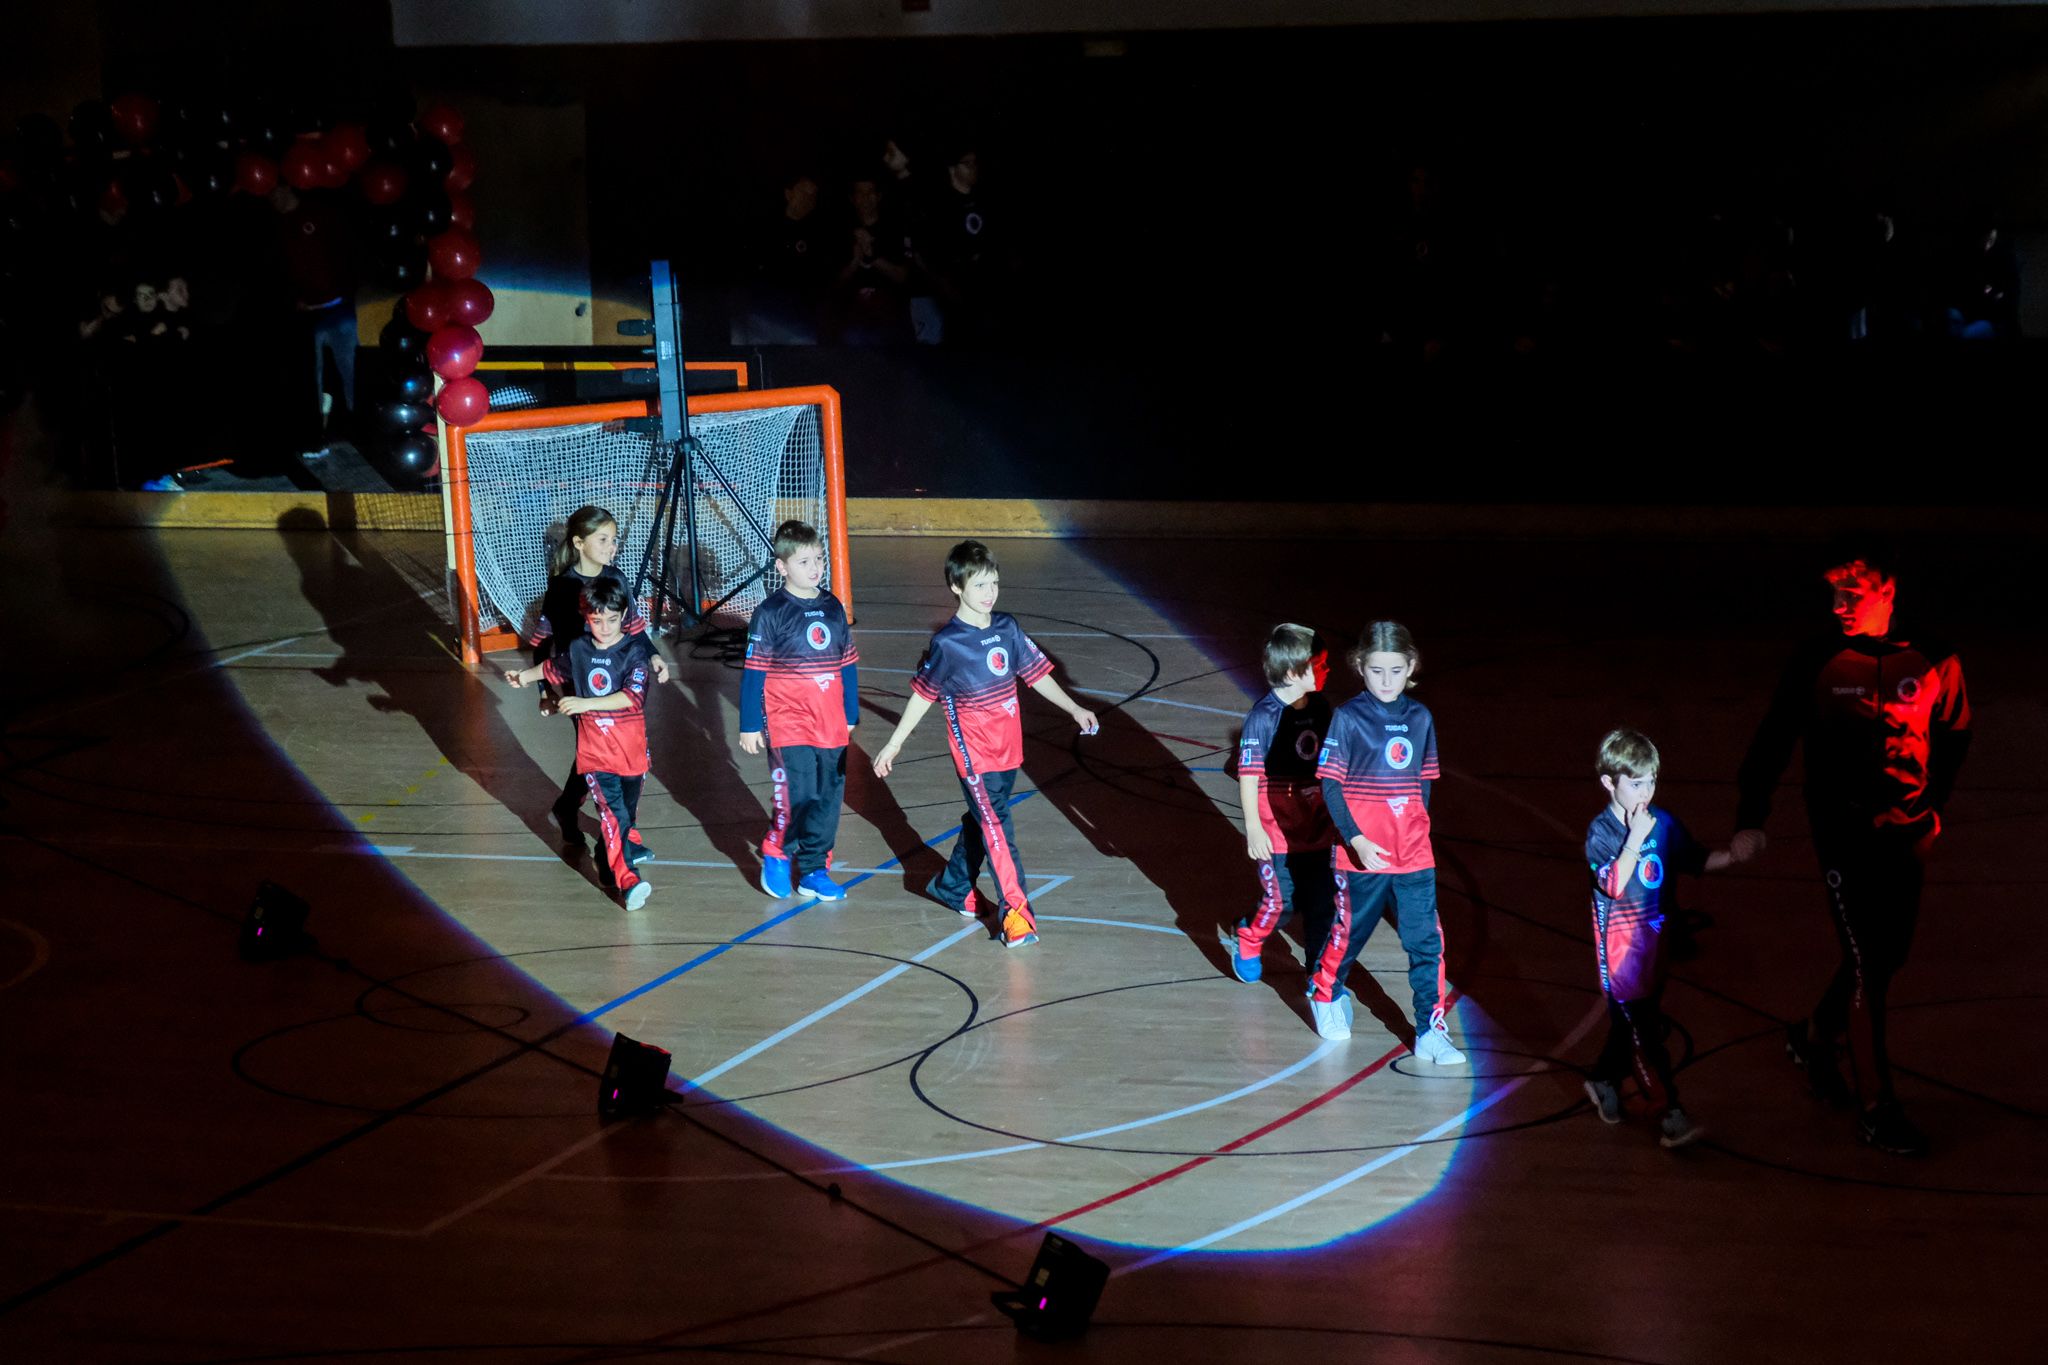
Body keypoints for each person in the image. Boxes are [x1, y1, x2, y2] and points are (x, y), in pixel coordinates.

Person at [1734, 551, 1971, 1157]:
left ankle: (1815, 1035)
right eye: (1832, 595)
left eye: (1852, 594)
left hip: (1908, 833)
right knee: (1869, 965)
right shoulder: (1816, 661)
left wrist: (1933, 807)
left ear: (1888, 589)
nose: (1838, 607)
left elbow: (1955, 733)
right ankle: (1876, 1110)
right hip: (1844, 837)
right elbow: (1773, 737)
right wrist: (1750, 818)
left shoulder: (1937, 658)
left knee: (1886, 957)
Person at [871, 539, 1098, 948]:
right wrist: (894, 744)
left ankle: (953, 886)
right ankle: (1017, 913)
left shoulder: (1007, 628)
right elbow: (923, 696)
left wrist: (1073, 707)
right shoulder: (948, 645)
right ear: (957, 588)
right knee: (997, 828)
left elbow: (1035, 674)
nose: (990, 593)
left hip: (1009, 751)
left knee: (983, 822)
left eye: (993, 583)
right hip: (974, 755)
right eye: (979, 586)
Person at [1311, 621, 1464, 1062]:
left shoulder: (1420, 719)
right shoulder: (1348, 718)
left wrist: (1417, 829)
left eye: (1395, 671)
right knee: (1349, 934)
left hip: (1413, 855)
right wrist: (1356, 840)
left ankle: (1430, 1029)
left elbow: (1424, 783)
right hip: (1361, 856)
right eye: (1376, 671)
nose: (1385, 681)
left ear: (1410, 666)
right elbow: (1331, 787)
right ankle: (1325, 992)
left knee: (1425, 942)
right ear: (1360, 667)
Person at [1583, 728, 1737, 1149]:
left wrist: (1734, 855)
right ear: (1608, 784)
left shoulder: (1664, 823)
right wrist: (1634, 839)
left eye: (1651, 781)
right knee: (1644, 1036)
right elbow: (1613, 885)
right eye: (1635, 783)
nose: (1646, 792)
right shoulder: (1602, 834)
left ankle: (1601, 1078)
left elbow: (1695, 858)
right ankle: (1668, 1110)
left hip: (1655, 949)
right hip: (1620, 958)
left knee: (1632, 1028)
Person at [503, 576, 660, 911]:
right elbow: (555, 669)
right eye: (596, 620)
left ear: (623, 616)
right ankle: (628, 879)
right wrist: (524, 678)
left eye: (612, 620)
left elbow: (632, 698)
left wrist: (584, 704)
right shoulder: (579, 649)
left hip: (631, 751)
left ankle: (607, 858)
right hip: (596, 752)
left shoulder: (634, 652)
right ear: (586, 617)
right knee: (614, 814)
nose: (604, 628)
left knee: (625, 815)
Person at [527, 505, 669, 852]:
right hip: (581, 689)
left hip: (619, 683)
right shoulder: (562, 588)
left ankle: (568, 808)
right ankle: (620, 841)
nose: (612, 546)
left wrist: (653, 655)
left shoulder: (616, 578)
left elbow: (633, 629)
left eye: (613, 539)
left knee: (602, 756)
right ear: (579, 542)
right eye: (603, 539)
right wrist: (545, 691)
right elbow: (544, 646)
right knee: (601, 756)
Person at [740, 520, 860, 902]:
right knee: (799, 793)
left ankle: (813, 868)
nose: (815, 569)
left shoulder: (832, 607)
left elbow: (848, 664)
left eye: (819, 560)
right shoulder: (771, 612)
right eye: (805, 561)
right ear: (781, 567)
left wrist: (851, 711)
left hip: (830, 722)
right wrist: (749, 724)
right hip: (788, 721)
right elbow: (754, 674)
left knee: (828, 796)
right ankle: (777, 847)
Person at [1227, 624, 1337, 985]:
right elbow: (1248, 775)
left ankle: (1317, 976)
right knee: (1281, 903)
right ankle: (1248, 934)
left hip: (1318, 827)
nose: (1326, 669)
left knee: (1322, 905)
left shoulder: (1322, 708)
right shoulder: (1263, 718)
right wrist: (1254, 829)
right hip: (1277, 833)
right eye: (1318, 665)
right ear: (1292, 672)